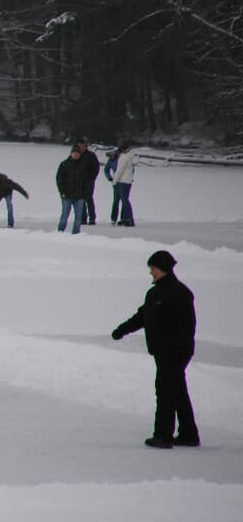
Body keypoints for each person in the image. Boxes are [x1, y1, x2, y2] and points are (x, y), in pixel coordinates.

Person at [111, 251, 200, 449]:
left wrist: (174, 347)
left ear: (164, 269)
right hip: (162, 351)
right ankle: (188, 434)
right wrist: (121, 331)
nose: (151, 272)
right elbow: (142, 317)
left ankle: (163, 435)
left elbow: (188, 326)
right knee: (177, 390)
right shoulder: (154, 293)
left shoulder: (180, 293)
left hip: (175, 352)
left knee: (165, 390)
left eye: (153, 268)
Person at [55, 145, 89, 234]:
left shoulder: (83, 165)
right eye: (74, 153)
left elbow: (86, 181)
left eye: (78, 153)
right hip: (67, 195)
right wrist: (62, 191)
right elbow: (59, 179)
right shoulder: (64, 164)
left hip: (80, 196)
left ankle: (76, 233)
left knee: (78, 217)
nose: (76, 155)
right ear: (71, 153)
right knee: (64, 215)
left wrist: (85, 193)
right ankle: (60, 231)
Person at [107, 139, 138, 226]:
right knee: (125, 200)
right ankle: (124, 218)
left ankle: (129, 219)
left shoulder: (125, 156)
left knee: (125, 200)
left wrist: (114, 181)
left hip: (123, 181)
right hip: (127, 180)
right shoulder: (129, 155)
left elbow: (119, 170)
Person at [75, 138, 101, 225]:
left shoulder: (91, 155)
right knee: (80, 201)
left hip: (88, 181)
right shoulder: (76, 155)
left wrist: (91, 179)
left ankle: (92, 218)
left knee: (89, 200)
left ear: (86, 146)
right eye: (80, 146)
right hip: (78, 182)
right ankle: (83, 218)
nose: (81, 148)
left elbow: (96, 168)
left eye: (83, 146)